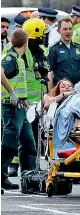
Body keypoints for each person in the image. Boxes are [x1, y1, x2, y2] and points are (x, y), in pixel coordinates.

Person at [1, 29, 37, 190]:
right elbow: (1, 74)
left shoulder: (18, 58)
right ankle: (1, 176)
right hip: (11, 107)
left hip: (20, 107)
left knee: (28, 142)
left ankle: (29, 178)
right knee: (9, 143)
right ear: (26, 42)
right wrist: (12, 93)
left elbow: (18, 81)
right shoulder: (10, 58)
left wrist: (24, 100)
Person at [47, 17, 80, 89]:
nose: (68, 31)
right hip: (62, 91)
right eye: (65, 29)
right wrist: (51, 94)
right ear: (58, 31)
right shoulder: (54, 49)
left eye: (70, 29)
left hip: (79, 90)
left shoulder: (79, 48)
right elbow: (49, 73)